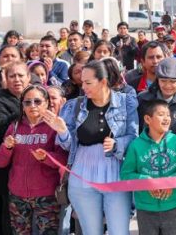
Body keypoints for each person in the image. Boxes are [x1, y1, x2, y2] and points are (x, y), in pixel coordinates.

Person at [49, 60, 139, 235]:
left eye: (88, 83)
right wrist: (62, 131)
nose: (83, 87)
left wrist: (118, 144)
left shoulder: (126, 102)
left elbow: (134, 137)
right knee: (91, 231)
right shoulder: (74, 105)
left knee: (119, 231)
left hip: (116, 172)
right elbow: (68, 146)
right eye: (82, 82)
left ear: (103, 81)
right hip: (82, 173)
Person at [136, 57, 176, 232]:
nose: (168, 85)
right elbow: (138, 134)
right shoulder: (143, 100)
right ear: (157, 78)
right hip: (151, 168)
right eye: (163, 80)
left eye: (173, 81)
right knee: (151, 222)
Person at [0, 84, 67, 235]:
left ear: (47, 103)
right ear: (22, 105)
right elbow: (0, 162)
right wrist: (6, 148)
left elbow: (63, 159)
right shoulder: (14, 127)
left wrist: (46, 157)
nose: (32, 105)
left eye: (37, 101)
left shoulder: (54, 126)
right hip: (17, 194)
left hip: (46, 194)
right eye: (27, 102)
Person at [121, 98, 176, 235]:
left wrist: (171, 182)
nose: (167, 118)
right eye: (161, 114)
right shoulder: (136, 146)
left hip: (172, 206)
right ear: (148, 119)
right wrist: (145, 180)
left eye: (168, 115)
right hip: (145, 208)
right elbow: (126, 175)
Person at [0, 62, 30, 235]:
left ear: (28, 77)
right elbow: (1, 126)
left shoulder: (36, 96)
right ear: (5, 79)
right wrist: (25, 109)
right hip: (4, 166)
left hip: (30, 167)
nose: (17, 79)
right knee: (7, 218)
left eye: (21, 75)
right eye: (12, 76)